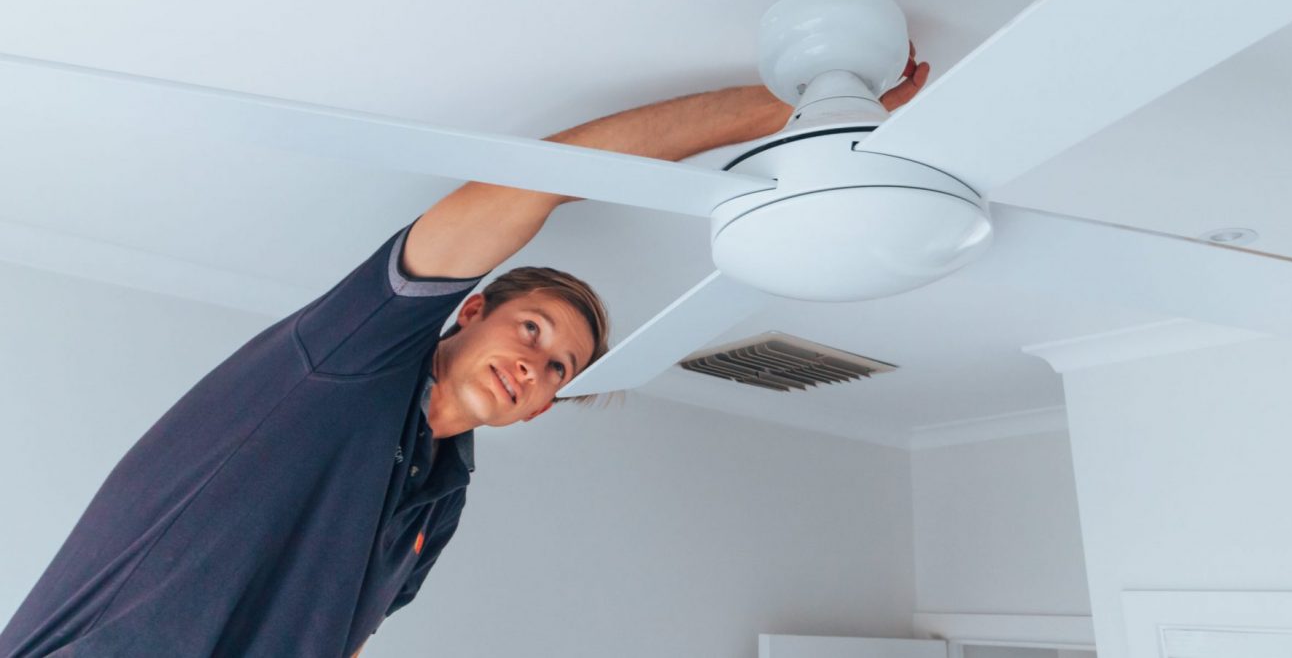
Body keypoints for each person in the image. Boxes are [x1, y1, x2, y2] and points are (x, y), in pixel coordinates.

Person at [0, 62, 929, 658]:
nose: (538, 364)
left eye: (561, 367)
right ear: (469, 311)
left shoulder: (440, 502)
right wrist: (790, 105)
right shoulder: (348, 361)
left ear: (540, 411)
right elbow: (540, 182)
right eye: (531, 331)